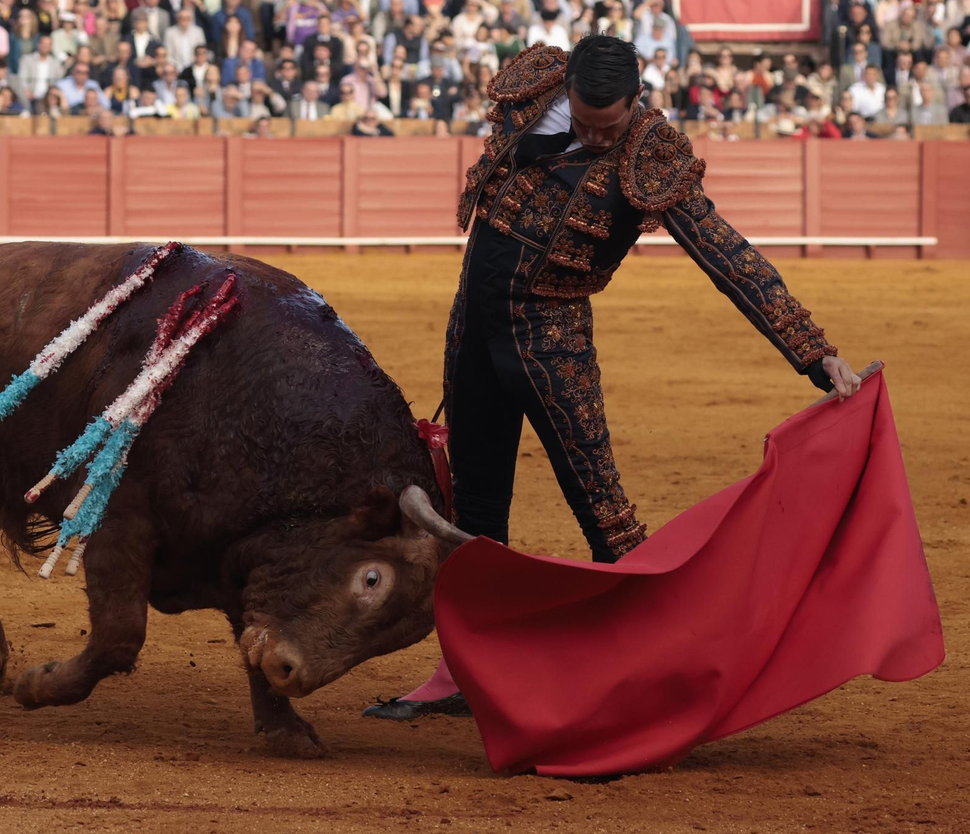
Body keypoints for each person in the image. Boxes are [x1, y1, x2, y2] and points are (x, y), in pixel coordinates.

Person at [364, 37, 862, 720]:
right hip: (473, 332)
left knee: (605, 513)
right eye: (586, 122)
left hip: (553, 343)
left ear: (638, 99)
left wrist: (813, 352)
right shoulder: (532, 90)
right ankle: (466, 674)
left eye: (612, 124)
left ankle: (659, 676)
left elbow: (728, 256)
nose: (599, 137)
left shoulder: (651, 157)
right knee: (475, 511)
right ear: (565, 88)